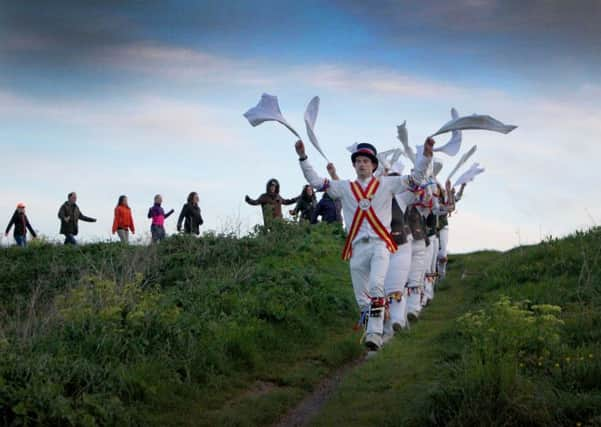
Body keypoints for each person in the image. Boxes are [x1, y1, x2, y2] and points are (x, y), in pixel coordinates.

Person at [296, 138, 433, 350]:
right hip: (357, 248)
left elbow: (415, 180)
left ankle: (374, 334)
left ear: (374, 165)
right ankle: (377, 324)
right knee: (362, 297)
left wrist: (425, 156)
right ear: (354, 165)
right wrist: (303, 157)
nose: (362, 164)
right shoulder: (345, 188)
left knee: (377, 285)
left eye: (366, 161)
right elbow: (316, 182)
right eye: (358, 161)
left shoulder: (386, 184)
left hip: (380, 245)